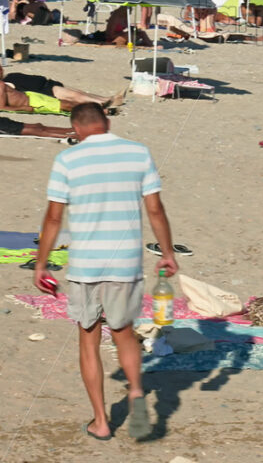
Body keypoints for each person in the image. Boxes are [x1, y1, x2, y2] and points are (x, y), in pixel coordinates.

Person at [35, 103, 178, 441]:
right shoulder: (138, 153)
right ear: (107, 123)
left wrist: (41, 263)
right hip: (125, 262)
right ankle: (138, 391)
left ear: (76, 130)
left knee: (88, 338)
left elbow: (54, 218)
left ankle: (101, 421)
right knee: (124, 331)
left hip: (86, 264)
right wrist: (168, 252)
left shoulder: (67, 160)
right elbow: (155, 209)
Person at [0, 66, 126, 108]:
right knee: (77, 96)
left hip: (48, 83)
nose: (2, 70)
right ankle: (102, 104)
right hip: (44, 91)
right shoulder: (5, 84)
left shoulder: (9, 76)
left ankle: (108, 98)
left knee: (80, 92)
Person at [0, 114, 74, 139]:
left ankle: (68, 131)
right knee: (36, 130)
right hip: (4, 125)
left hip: (3, 123)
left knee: (37, 127)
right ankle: (69, 135)